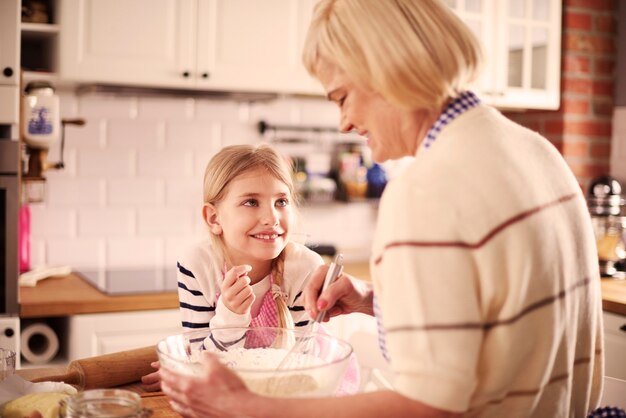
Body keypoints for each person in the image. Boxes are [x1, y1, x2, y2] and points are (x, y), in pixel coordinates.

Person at [159, 0, 604, 417]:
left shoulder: (425, 191)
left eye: (342, 97)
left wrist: (250, 406)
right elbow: (501, 327)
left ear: (389, 72)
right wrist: (376, 301)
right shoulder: (538, 152)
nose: (345, 123)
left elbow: (429, 407)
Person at [142, 143, 343, 391]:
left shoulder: (304, 268)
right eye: (250, 202)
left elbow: (294, 368)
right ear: (214, 218)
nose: (271, 218)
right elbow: (201, 361)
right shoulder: (197, 266)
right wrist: (230, 316)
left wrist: (192, 371)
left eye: (281, 201)